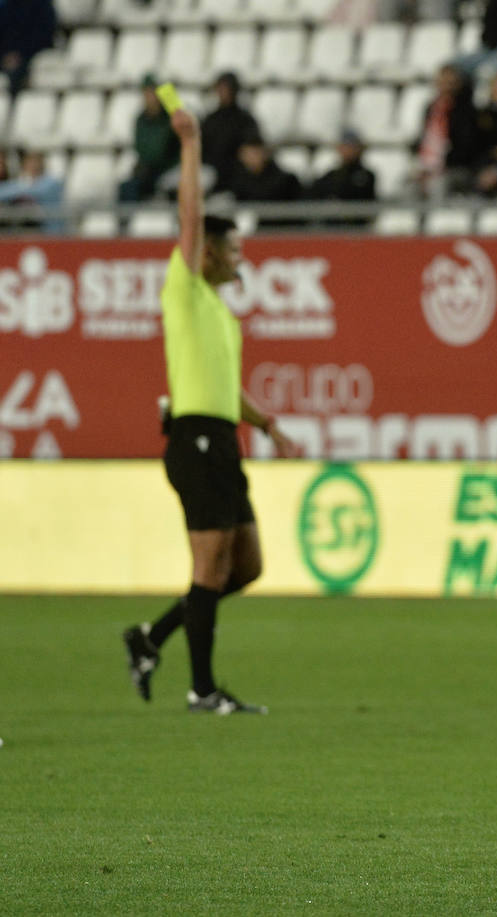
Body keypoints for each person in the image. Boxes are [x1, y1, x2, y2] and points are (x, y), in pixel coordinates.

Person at [121, 104, 301, 715]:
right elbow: (190, 216)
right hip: (194, 440)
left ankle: (151, 638)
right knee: (210, 565)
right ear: (208, 254)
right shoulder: (186, 285)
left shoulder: (220, 316)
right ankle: (201, 690)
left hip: (221, 437)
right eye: (235, 248)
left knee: (244, 566)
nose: (241, 257)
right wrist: (191, 144)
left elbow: (226, 391)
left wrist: (269, 423)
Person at [413, 64, 482, 198]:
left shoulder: (466, 112)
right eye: (442, 82)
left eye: (450, 83)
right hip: (430, 166)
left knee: (437, 185)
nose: (445, 87)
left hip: (456, 169)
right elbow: (425, 140)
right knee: (408, 187)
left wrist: (440, 167)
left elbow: (466, 147)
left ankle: (438, 218)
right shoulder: (431, 109)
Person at [118, 74, 180, 203]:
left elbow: (162, 148)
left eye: (153, 93)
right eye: (146, 93)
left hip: (168, 169)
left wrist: (170, 99)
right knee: (127, 188)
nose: (150, 97)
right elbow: (140, 148)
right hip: (148, 171)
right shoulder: (141, 119)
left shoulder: (169, 119)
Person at [200, 72, 262, 191]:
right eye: (220, 88)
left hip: (236, 177)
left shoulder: (245, 120)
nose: (223, 93)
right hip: (210, 173)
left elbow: (251, 150)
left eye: (226, 88)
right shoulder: (210, 119)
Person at [308, 129, 377, 226]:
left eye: (351, 146)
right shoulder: (332, 175)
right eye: (345, 146)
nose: (347, 150)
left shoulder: (367, 176)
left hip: (357, 228)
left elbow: (363, 201)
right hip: (333, 228)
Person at [0, 148, 64, 233]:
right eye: (30, 162)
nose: (33, 166)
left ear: (42, 164)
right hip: (23, 227)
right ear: (24, 165)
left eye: (36, 162)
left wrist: (21, 188)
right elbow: (2, 192)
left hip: (49, 228)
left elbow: (39, 191)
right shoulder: (21, 182)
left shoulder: (52, 182)